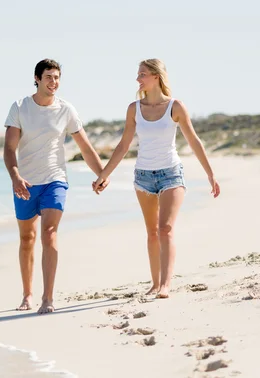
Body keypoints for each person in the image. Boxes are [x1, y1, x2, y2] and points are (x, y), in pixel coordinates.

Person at [92, 59, 220, 299]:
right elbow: (123, 145)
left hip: (171, 173)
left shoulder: (175, 106)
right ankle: (154, 283)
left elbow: (193, 140)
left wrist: (210, 174)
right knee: (152, 232)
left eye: (142, 74)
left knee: (166, 229)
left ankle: (166, 285)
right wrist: (103, 175)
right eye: (138, 74)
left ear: (156, 76)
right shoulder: (134, 109)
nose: (138, 79)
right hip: (143, 176)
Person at [4, 59, 108, 314]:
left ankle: (47, 298)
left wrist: (102, 174)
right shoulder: (20, 107)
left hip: (55, 179)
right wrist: (15, 176)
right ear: (37, 79)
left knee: (49, 233)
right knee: (27, 238)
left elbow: (85, 147)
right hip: (26, 182)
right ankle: (27, 295)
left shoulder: (66, 110)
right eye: (49, 77)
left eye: (57, 77)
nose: (54, 82)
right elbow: (9, 148)